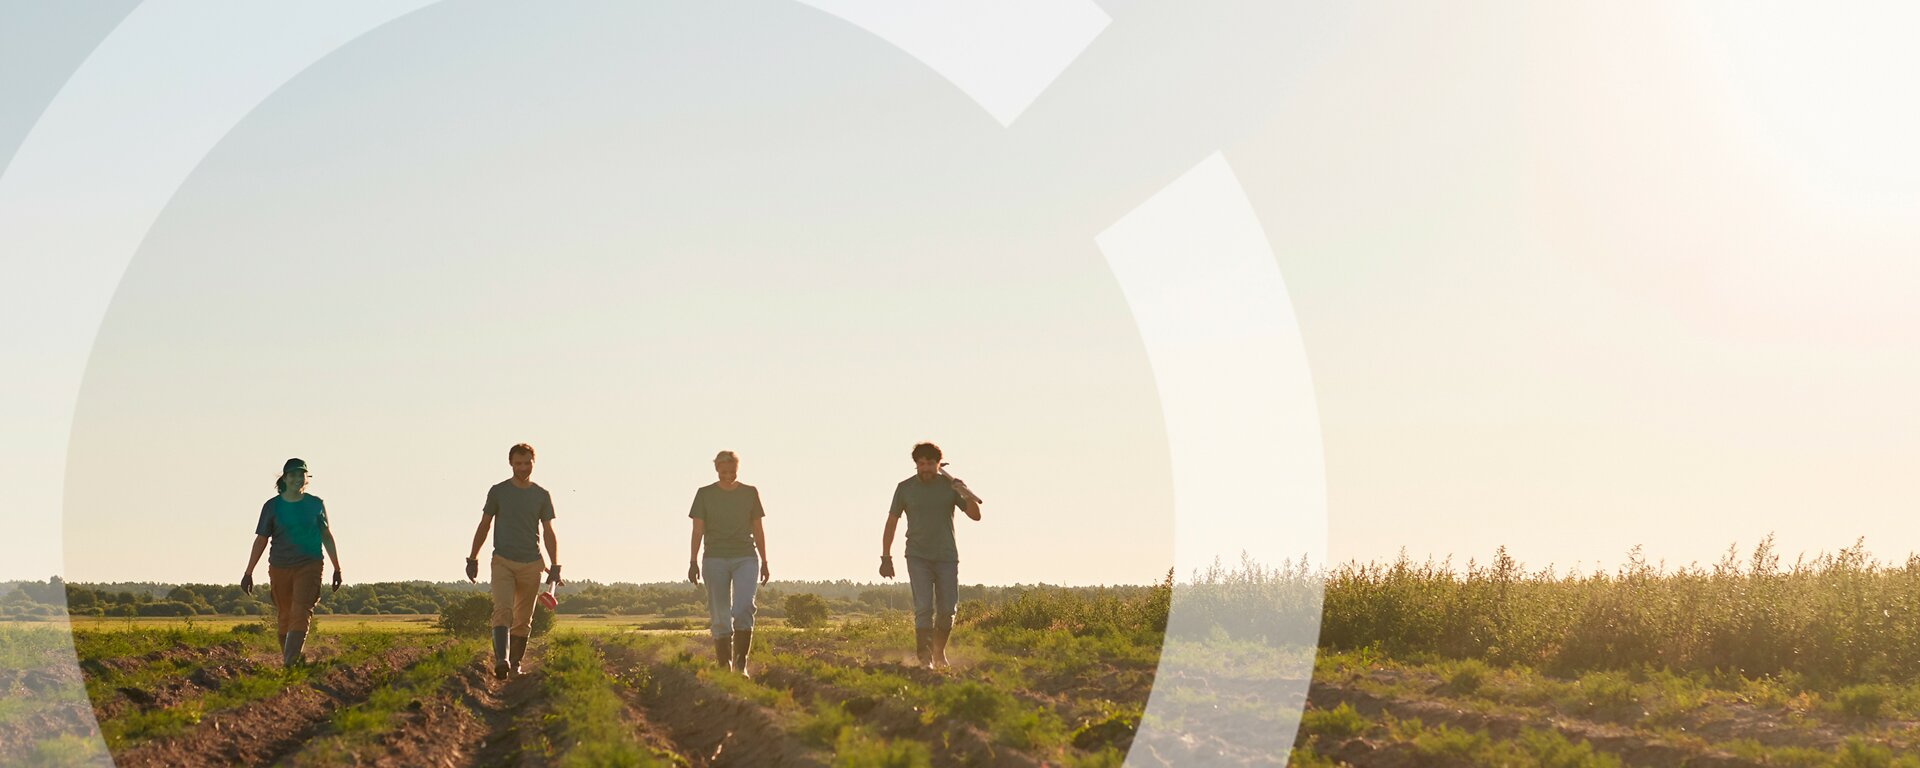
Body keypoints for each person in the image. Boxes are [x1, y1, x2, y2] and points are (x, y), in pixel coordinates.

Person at [878, 442, 981, 669]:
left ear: (938, 464)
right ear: (916, 465)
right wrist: (886, 557)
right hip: (917, 555)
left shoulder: (950, 487)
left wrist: (965, 492)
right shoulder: (905, 488)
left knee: (947, 610)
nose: (925, 468)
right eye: (921, 464)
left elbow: (976, 516)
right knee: (924, 607)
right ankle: (925, 660)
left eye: (930, 464)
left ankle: (939, 651)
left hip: (946, 556)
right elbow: (892, 522)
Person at [464, 443, 563, 679]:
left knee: (523, 620)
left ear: (533, 463)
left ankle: (515, 664)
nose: (523, 468)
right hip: (503, 561)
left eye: (527, 463)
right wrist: (473, 557)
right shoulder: (498, 492)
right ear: (510, 464)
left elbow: (548, 531)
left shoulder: (541, 495)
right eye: (518, 463)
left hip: (532, 564)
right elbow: (485, 525)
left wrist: (555, 565)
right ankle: (502, 661)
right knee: (503, 611)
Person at [241, 458, 343, 668]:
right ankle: (290, 660)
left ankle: (290, 663)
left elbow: (326, 535)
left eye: (301, 475)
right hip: (280, 565)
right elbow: (261, 539)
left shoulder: (315, 504)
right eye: (293, 475)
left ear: (306, 478)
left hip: (310, 564)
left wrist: (337, 568)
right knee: (285, 613)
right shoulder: (272, 507)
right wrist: (248, 572)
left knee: (301, 610)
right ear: (285, 478)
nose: (298, 479)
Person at [687, 450, 770, 675]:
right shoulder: (704, 494)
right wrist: (693, 561)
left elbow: (758, 529)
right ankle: (725, 666)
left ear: (737, 469)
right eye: (723, 471)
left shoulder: (750, 493)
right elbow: (697, 530)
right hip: (715, 558)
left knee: (744, 608)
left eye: (732, 471)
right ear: (717, 470)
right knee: (720, 613)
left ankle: (741, 666)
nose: (728, 475)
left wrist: (765, 560)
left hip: (745, 556)